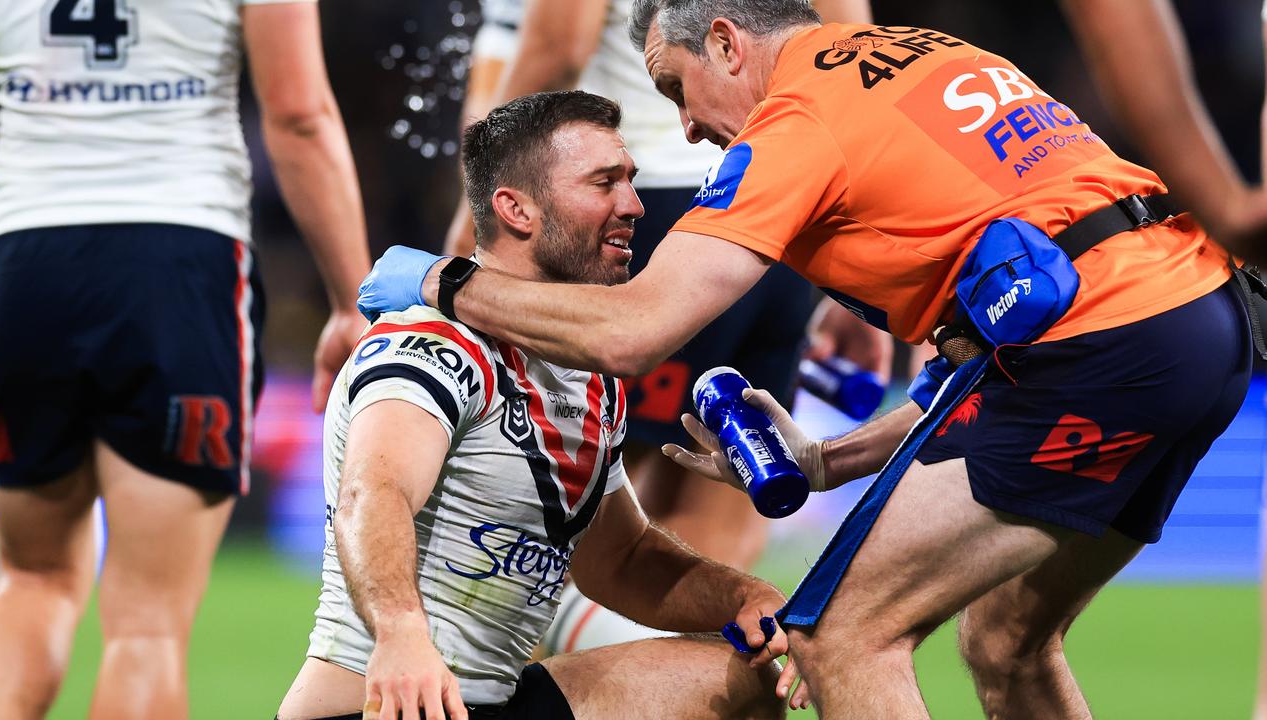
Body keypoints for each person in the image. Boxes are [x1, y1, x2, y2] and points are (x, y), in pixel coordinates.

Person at [355, 2, 1254, 717]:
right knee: (1006, 644)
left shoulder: (794, 121)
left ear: (724, 41)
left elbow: (629, 333)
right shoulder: (923, 51)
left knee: (842, 638)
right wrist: (830, 460)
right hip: (1195, 317)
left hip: (1099, 350)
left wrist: (438, 278)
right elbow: (1022, 319)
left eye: (677, 88)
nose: (690, 127)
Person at [277, 90, 789, 720]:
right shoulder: (430, 341)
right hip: (384, 702)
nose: (633, 206)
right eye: (604, 184)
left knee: (744, 683)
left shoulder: (586, 372)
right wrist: (400, 632)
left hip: (489, 701)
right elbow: (373, 493)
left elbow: (621, 560)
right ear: (515, 208)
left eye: (631, 182)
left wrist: (744, 595)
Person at [445, 0, 883, 658]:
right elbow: (850, 48)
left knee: (563, 535)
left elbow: (557, 45)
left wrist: (473, 231)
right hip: (780, 202)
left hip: (648, 211)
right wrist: (857, 269)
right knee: (721, 514)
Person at [0, 0, 370, 717]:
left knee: (31, 579)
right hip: (176, 260)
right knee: (146, 625)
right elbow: (298, 116)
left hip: (19, 260)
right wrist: (351, 300)